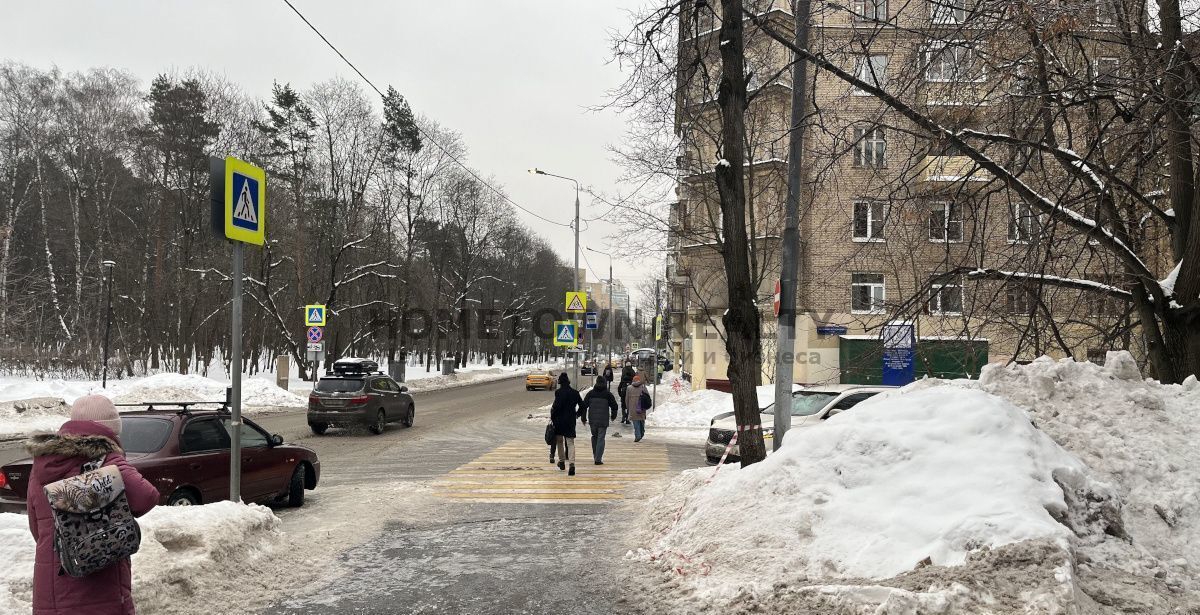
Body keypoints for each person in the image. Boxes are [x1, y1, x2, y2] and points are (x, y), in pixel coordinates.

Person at [26, 395, 160, 615]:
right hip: (99, 586)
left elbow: (37, 527)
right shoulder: (107, 459)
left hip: (52, 583)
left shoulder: (42, 463)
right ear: (109, 431)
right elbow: (147, 497)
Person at [579, 376, 619, 465]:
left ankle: (595, 455)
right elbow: (614, 406)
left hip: (592, 420)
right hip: (603, 420)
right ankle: (598, 458)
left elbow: (584, 406)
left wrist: (583, 418)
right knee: (601, 438)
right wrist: (613, 416)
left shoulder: (590, 393)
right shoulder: (608, 394)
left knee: (594, 437)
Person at [549, 373, 583, 475]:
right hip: (570, 421)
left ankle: (562, 461)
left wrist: (553, 418)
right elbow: (583, 405)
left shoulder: (558, 393)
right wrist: (577, 414)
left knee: (559, 442)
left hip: (559, 421)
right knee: (570, 443)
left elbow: (555, 407)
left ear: (560, 382)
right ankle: (572, 464)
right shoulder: (575, 393)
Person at [626, 374, 649, 442]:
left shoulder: (629, 388)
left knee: (635, 422)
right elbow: (647, 397)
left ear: (633, 380)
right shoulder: (643, 387)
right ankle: (641, 433)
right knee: (641, 421)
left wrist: (628, 407)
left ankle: (638, 435)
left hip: (633, 408)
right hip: (642, 407)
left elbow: (626, 399)